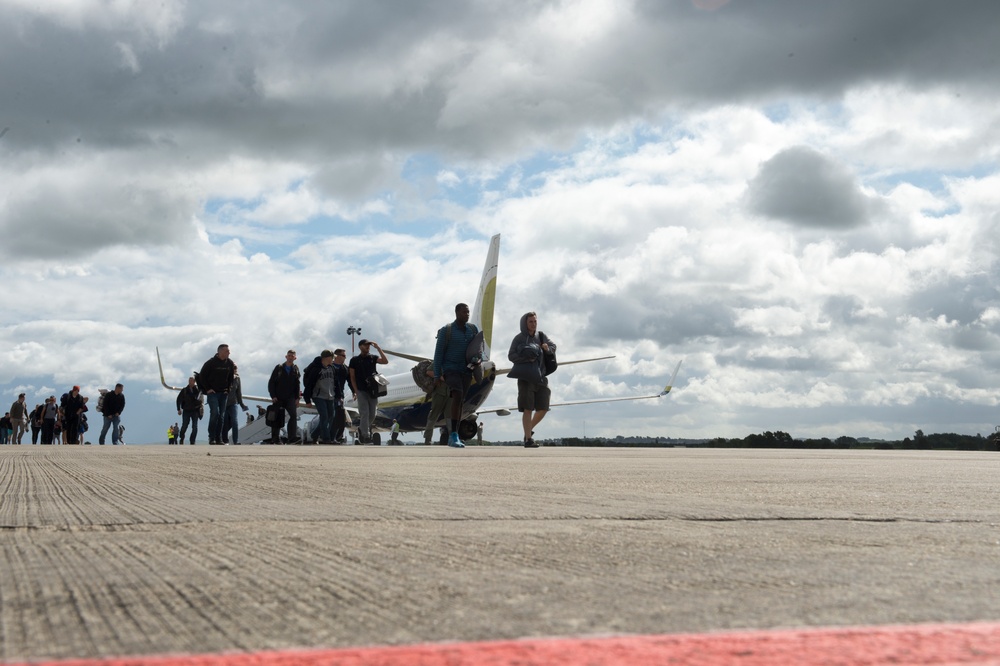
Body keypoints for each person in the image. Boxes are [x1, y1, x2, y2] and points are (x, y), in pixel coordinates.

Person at [432, 303, 480, 448]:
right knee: (457, 395)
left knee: (460, 402)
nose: (467, 314)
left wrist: (477, 359)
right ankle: (453, 434)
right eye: (464, 312)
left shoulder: (472, 329)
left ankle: (455, 434)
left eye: (468, 312)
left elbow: (477, 349)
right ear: (457, 312)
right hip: (450, 369)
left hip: (466, 370)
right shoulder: (446, 331)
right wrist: (436, 375)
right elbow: (438, 354)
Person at [508, 311, 556, 448]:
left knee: (543, 408)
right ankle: (528, 439)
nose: (533, 324)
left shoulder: (541, 336)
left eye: (535, 321)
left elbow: (554, 347)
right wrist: (526, 359)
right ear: (525, 323)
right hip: (526, 377)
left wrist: (547, 349)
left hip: (541, 376)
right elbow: (511, 356)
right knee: (527, 408)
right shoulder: (518, 339)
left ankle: (527, 431)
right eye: (531, 322)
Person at [349, 339, 388, 444]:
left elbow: (385, 361)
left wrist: (378, 348)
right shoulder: (354, 360)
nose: (367, 347)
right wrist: (355, 390)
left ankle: (362, 429)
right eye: (365, 345)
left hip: (373, 390)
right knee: (364, 413)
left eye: (368, 345)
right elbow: (352, 376)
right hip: (361, 390)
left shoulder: (372, 358)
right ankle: (365, 435)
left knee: (373, 414)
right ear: (360, 346)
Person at [197, 344, 235, 445]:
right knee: (215, 413)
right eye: (227, 351)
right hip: (213, 393)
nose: (229, 353)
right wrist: (208, 389)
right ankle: (212, 437)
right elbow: (201, 377)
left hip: (224, 393)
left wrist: (228, 389)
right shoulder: (210, 363)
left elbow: (231, 378)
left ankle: (219, 438)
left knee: (222, 416)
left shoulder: (230, 363)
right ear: (220, 352)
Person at [303, 350, 339, 444]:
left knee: (331, 416)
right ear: (327, 358)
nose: (334, 359)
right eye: (332, 357)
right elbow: (309, 384)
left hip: (330, 396)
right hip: (318, 396)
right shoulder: (316, 369)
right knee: (324, 416)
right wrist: (307, 400)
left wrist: (339, 395)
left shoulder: (332, 368)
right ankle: (326, 438)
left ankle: (314, 435)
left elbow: (336, 383)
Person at [268, 350, 302, 444]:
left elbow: (297, 384)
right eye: (289, 356)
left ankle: (292, 437)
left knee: (293, 416)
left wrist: (297, 398)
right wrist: (273, 395)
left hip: (290, 397)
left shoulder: (295, 369)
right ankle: (275, 438)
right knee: (277, 418)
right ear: (286, 357)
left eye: (292, 356)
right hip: (278, 397)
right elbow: (271, 383)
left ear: (295, 358)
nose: (290, 357)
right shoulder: (279, 368)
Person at [222, 365, 249, 444]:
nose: (235, 372)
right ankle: (224, 440)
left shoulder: (237, 378)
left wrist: (242, 404)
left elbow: (239, 392)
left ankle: (235, 441)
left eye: (236, 370)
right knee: (225, 422)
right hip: (224, 403)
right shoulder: (225, 377)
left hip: (233, 402)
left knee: (235, 421)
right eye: (234, 370)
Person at [176, 377, 203, 445]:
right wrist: (178, 409)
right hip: (186, 410)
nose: (190, 382)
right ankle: (182, 438)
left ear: (194, 382)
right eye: (189, 381)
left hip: (195, 410)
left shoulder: (198, 390)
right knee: (184, 426)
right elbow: (178, 399)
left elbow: (201, 400)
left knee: (195, 426)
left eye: (191, 381)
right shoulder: (184, 390)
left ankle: (192, 440)